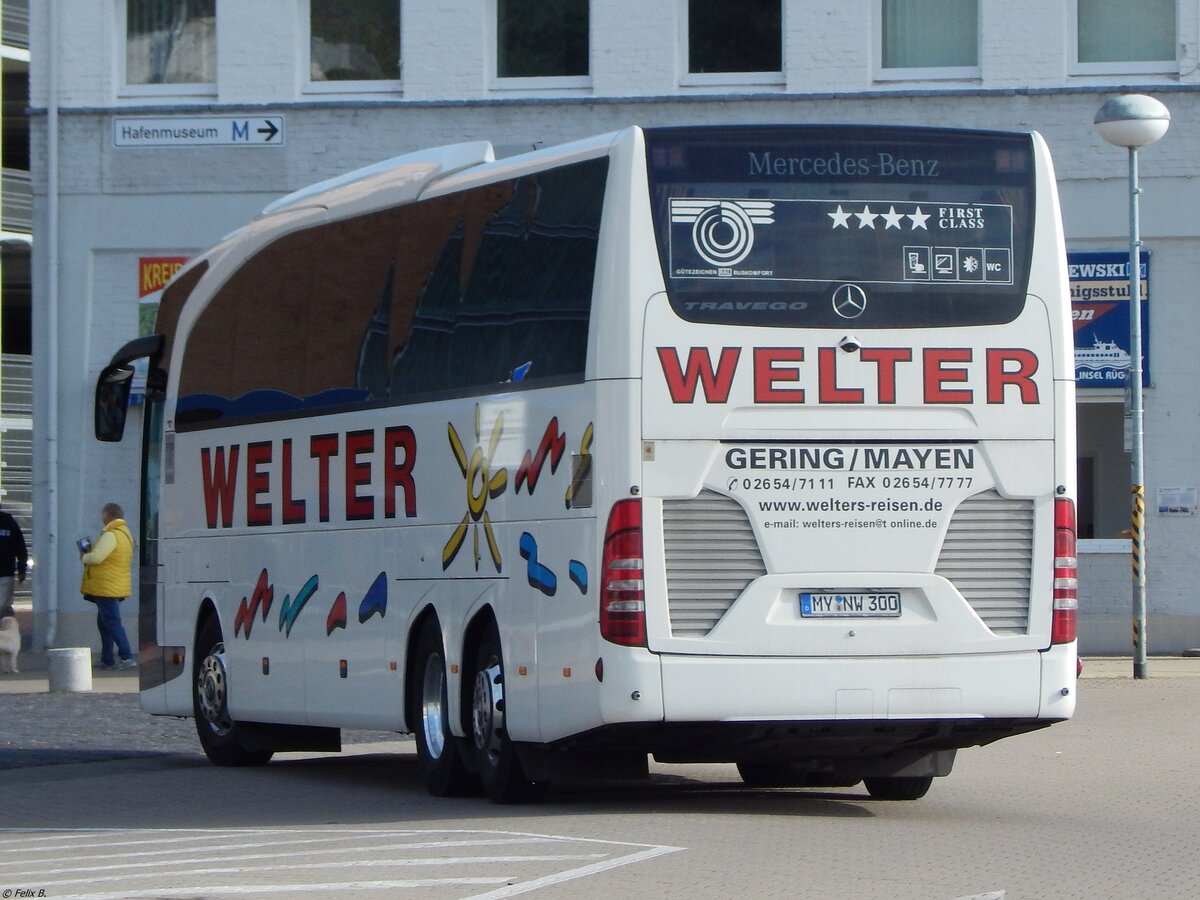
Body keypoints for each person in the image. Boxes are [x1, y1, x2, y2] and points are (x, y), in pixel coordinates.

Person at [80, 502, 136, 670]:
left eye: (103, 515)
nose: (102, 519)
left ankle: (126, 657)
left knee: (112, 622)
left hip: (107, 586)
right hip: (114, 584)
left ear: (109, 516)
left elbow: (97, 558)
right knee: (104, 622)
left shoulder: (111, 535)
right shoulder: (125, 533)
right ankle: (107, 658)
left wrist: (84, 556)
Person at [0, 503, 28, 619]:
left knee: (3, 607)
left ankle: (5, 632)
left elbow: (20, 547)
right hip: (6, 573)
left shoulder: (8, 523)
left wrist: (22, 569)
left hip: (5, 573)